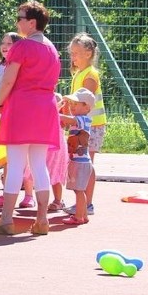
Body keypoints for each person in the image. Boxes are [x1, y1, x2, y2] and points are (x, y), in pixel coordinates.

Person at [0, 0, 61, 236]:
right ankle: (41, 220)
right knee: (39, 164)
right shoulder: (52, 49)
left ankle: (6, 219)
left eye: (20, 18)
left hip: (21, 107)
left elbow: (8, 80)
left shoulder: (22, 47)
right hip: (45, 108)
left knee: (16, 163)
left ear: (32, 22)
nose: (17, 22)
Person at [0, 32, 34, 208]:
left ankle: (29, 194)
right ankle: (7, 193)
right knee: (7, 156)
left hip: (17, 114)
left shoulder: (19, 66)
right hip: (0, 114)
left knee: (25, 157)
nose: (5, 46)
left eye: (10, 43)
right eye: (3, 42)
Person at [63, 32, 104, 217]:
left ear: (88, 54)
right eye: (71, 53)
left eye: (76, 53)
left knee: (87, 164)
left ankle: (87, 204)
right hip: (81, 124)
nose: (73, 57)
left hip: (91, 125)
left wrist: (70, 117)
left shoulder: (90, 75)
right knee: (81, 162)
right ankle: (82, 203)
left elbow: (84, 102)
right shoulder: (78, 73)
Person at [59, 88, 96, 225]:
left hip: (80, 162)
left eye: (76, 104)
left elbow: (67, 119)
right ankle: (84, 215)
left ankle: (79, 217)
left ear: (86, 106)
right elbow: (69, 118)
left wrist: (53, 112)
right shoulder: (81, 119)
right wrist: (66, 106)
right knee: (79, 190)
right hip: (79, 160)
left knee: (79, 191)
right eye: (71, 104)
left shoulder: (82, 119)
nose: (72, 106)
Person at [47, 92, 70, 211]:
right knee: (43, 174)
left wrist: (62, 105)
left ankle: (58, 200)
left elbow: (67, 122)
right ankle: (33, 197)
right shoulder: (45, 116)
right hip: (45, 148)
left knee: (55, 174)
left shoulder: (60, 118)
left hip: (57, 149)